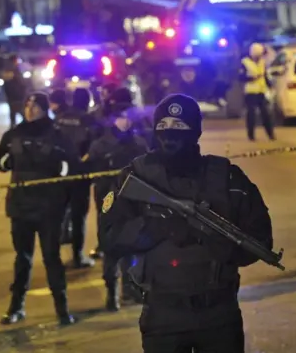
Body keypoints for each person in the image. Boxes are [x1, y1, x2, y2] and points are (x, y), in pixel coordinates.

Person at [100, 94, 274, 353]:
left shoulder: (226, 177)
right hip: (162, 313)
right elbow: (110, 237)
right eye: (165, 125)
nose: (171, 134)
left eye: (180, 126)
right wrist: (159, 228)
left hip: (218, 312)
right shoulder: (135, 177)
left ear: (196, 131)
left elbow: (259, 238)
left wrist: (216, 242)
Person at [0, 92, 78, 326]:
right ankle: (16, 307)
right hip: (21, 206)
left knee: (52, 258)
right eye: (27, 105)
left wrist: (64, 192)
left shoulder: (57, 134)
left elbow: (73, 165)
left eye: (35, 106)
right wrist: (6, 162)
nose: (30, 109)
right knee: (23, 258)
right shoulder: (15, 133)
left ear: (43, 108)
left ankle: (62, 310)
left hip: (48, 207)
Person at [85, 106, 148, 310]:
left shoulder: (138, 143)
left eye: (128, 118)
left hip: (132, 201)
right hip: (108, 201)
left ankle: (130, 290)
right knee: (110, 247)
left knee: (132, 245)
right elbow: (91, 172)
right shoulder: (101, 145)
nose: (125, 122)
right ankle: (111, 294)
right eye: (121, 117)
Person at [49, 88, 97, 268]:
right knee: (78, 217)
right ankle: (78, 256)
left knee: (58, 215)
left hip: (60, 173)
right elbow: (93, 149)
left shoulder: (58, 119)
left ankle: (53, 257)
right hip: (80, 175)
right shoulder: (88, 120)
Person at [239, 42, 275, 141]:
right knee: (251, 114)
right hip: (250, 92)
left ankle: (270, 134)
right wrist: (251, 78)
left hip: (261, 91)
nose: (259, 56)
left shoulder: (262, 62)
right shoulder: (245, 62)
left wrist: (270, 85)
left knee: (265, 114)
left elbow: (265, 75)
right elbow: (241, 77)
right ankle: (251, 135)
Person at [1, 54, 27, 128]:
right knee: (22, 114)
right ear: (14, 60)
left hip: (12, 97)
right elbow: (19, 83)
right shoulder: (13, 70)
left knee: (13, 114)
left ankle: (13, 128)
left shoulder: (7, 69)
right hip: (16, 97)